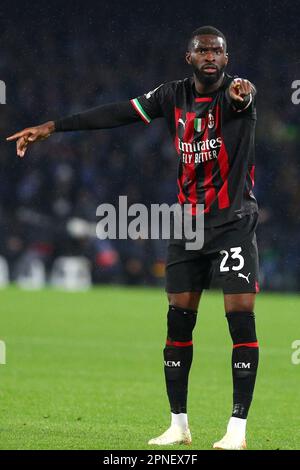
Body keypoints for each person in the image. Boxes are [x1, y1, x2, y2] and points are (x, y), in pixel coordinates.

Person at [7, 25, 260, 450]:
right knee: (178, 320)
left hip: (234, 220)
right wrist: (55, 126)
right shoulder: (171, 96)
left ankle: (237, 429)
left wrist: (244, 93)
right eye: (203, 50)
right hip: (188, 224)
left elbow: (246, 95)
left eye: (218, 50)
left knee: (240, 317)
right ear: (190, 58)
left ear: (227, 59)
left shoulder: (235, 96)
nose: (211, 55)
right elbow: (119, 113)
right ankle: (179, 425)